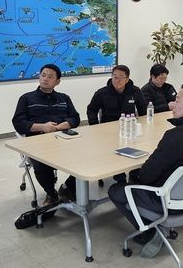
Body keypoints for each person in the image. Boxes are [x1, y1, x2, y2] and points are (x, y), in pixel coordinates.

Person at [109, 82, 183, 258]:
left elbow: (146, 176)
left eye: (177, 100)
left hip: (166, 201)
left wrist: (135, 176)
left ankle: (149, 232)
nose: (173, 103)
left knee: (116, 189)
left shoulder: (175, 137)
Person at [12, 64, 81, 205]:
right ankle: (51, 193)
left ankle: (67, 188)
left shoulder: (64, 98)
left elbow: (75, 118)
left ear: (57, 81)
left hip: (63, 138)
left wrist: (61, 126)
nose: (45, 79)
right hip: (38, 141)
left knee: (87, 156)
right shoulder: (26, 98)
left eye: (50, 76)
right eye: (43, 75)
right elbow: (19, 123)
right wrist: (42, 127)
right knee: (41, 164)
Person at [87, 64, 147, 183]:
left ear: (127, 79)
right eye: (114, 76)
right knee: (114, 149)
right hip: (108, 130)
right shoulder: (102, 93)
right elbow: (91, 110)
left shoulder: (135, 91)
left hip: (129, 127)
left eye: (120, 77)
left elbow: (143, 109)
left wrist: (144, 125)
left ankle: (134, 173)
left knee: (138, 146)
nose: (117, 80)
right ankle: (119, 176)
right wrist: (95, 126)